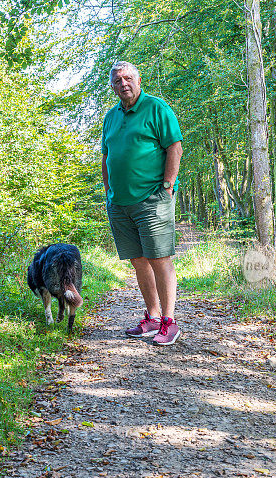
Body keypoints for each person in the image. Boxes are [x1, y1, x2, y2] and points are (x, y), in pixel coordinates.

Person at [101, 61, 184, 346]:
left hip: (152, 198)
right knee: (138, 261)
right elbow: (107, 155)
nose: (123, 83)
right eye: (117, 80)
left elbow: (174, 146)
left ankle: (169, 322)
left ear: (138, 80)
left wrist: (168, 185)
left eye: (127, 78)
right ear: (112, 86)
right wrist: (108, 190)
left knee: (159, 258)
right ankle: (151, 317)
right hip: (120, 203)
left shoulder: (156, 108)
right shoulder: (111, 116)